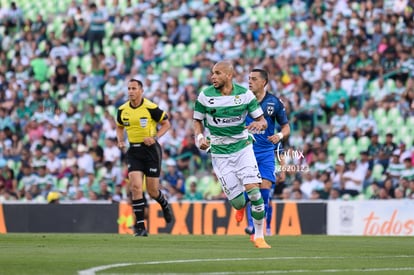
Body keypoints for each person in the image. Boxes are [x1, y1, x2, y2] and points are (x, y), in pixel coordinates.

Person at [193, 61, 270, 248]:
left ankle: (259, 237)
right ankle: (240, 205)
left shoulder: (244, 95)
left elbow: (262, 121)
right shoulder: (205, 96)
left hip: (242, 148)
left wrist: (260, 124)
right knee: (237, 202)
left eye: (217, 73)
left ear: (229, 75)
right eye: (212, 73)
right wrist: (200, 137)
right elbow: (197, 121)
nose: (213, 77)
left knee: (255, 192)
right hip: (219, 153)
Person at [235, 69, 290, 238]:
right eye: (249, 79)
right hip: (246, 152)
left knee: (265, 189)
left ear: (264, 82)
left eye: (254, 79)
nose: (249, 82)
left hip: (266, 152)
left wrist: (279, 135)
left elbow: (286, 128)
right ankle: (252, 224)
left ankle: (262, 226)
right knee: (253, 191)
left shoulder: (274, 102)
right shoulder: (242, 101)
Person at [116, 79, 172, 237]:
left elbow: (166, 124)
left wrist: (155, 137)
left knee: (153, 191)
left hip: (150, 151)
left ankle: (164, 204)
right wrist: (120, 140)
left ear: (141, 90)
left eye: (134, 88)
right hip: (134, 151)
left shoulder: (150, 107)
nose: (131, 91)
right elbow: (119, 126)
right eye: (129, 88)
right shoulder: (122, 109)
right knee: (135, 187)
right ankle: (140, 227)